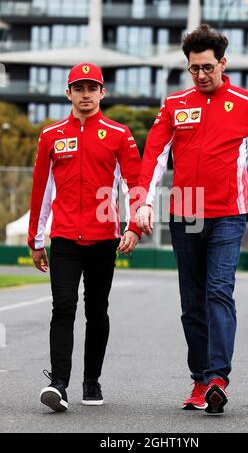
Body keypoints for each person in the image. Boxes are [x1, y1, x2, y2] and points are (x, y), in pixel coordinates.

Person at [136, 24, 248, 414]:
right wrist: (142, 203)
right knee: (191, 303)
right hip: (185, 216)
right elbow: (152, 157)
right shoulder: (173, 105)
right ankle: (200, 380)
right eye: (193, 69)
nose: (201, 75)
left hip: (228, 216)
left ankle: (219, 378)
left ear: (223, 63)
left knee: (218, 291)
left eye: (207, 67)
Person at [28, 62, 141, 412]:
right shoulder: (51, 136)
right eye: (79, 88)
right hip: (63, 238)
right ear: (69, 93)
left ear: (102, 93)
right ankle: (58, 384)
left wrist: (133, 225)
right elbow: (41, 190)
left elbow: (132, 184)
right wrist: (36, 239)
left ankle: (91, 380)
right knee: (62, 306)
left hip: (103, 239)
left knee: (97, 309)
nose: (86, 94)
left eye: (92, 88)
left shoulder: (120, 134)